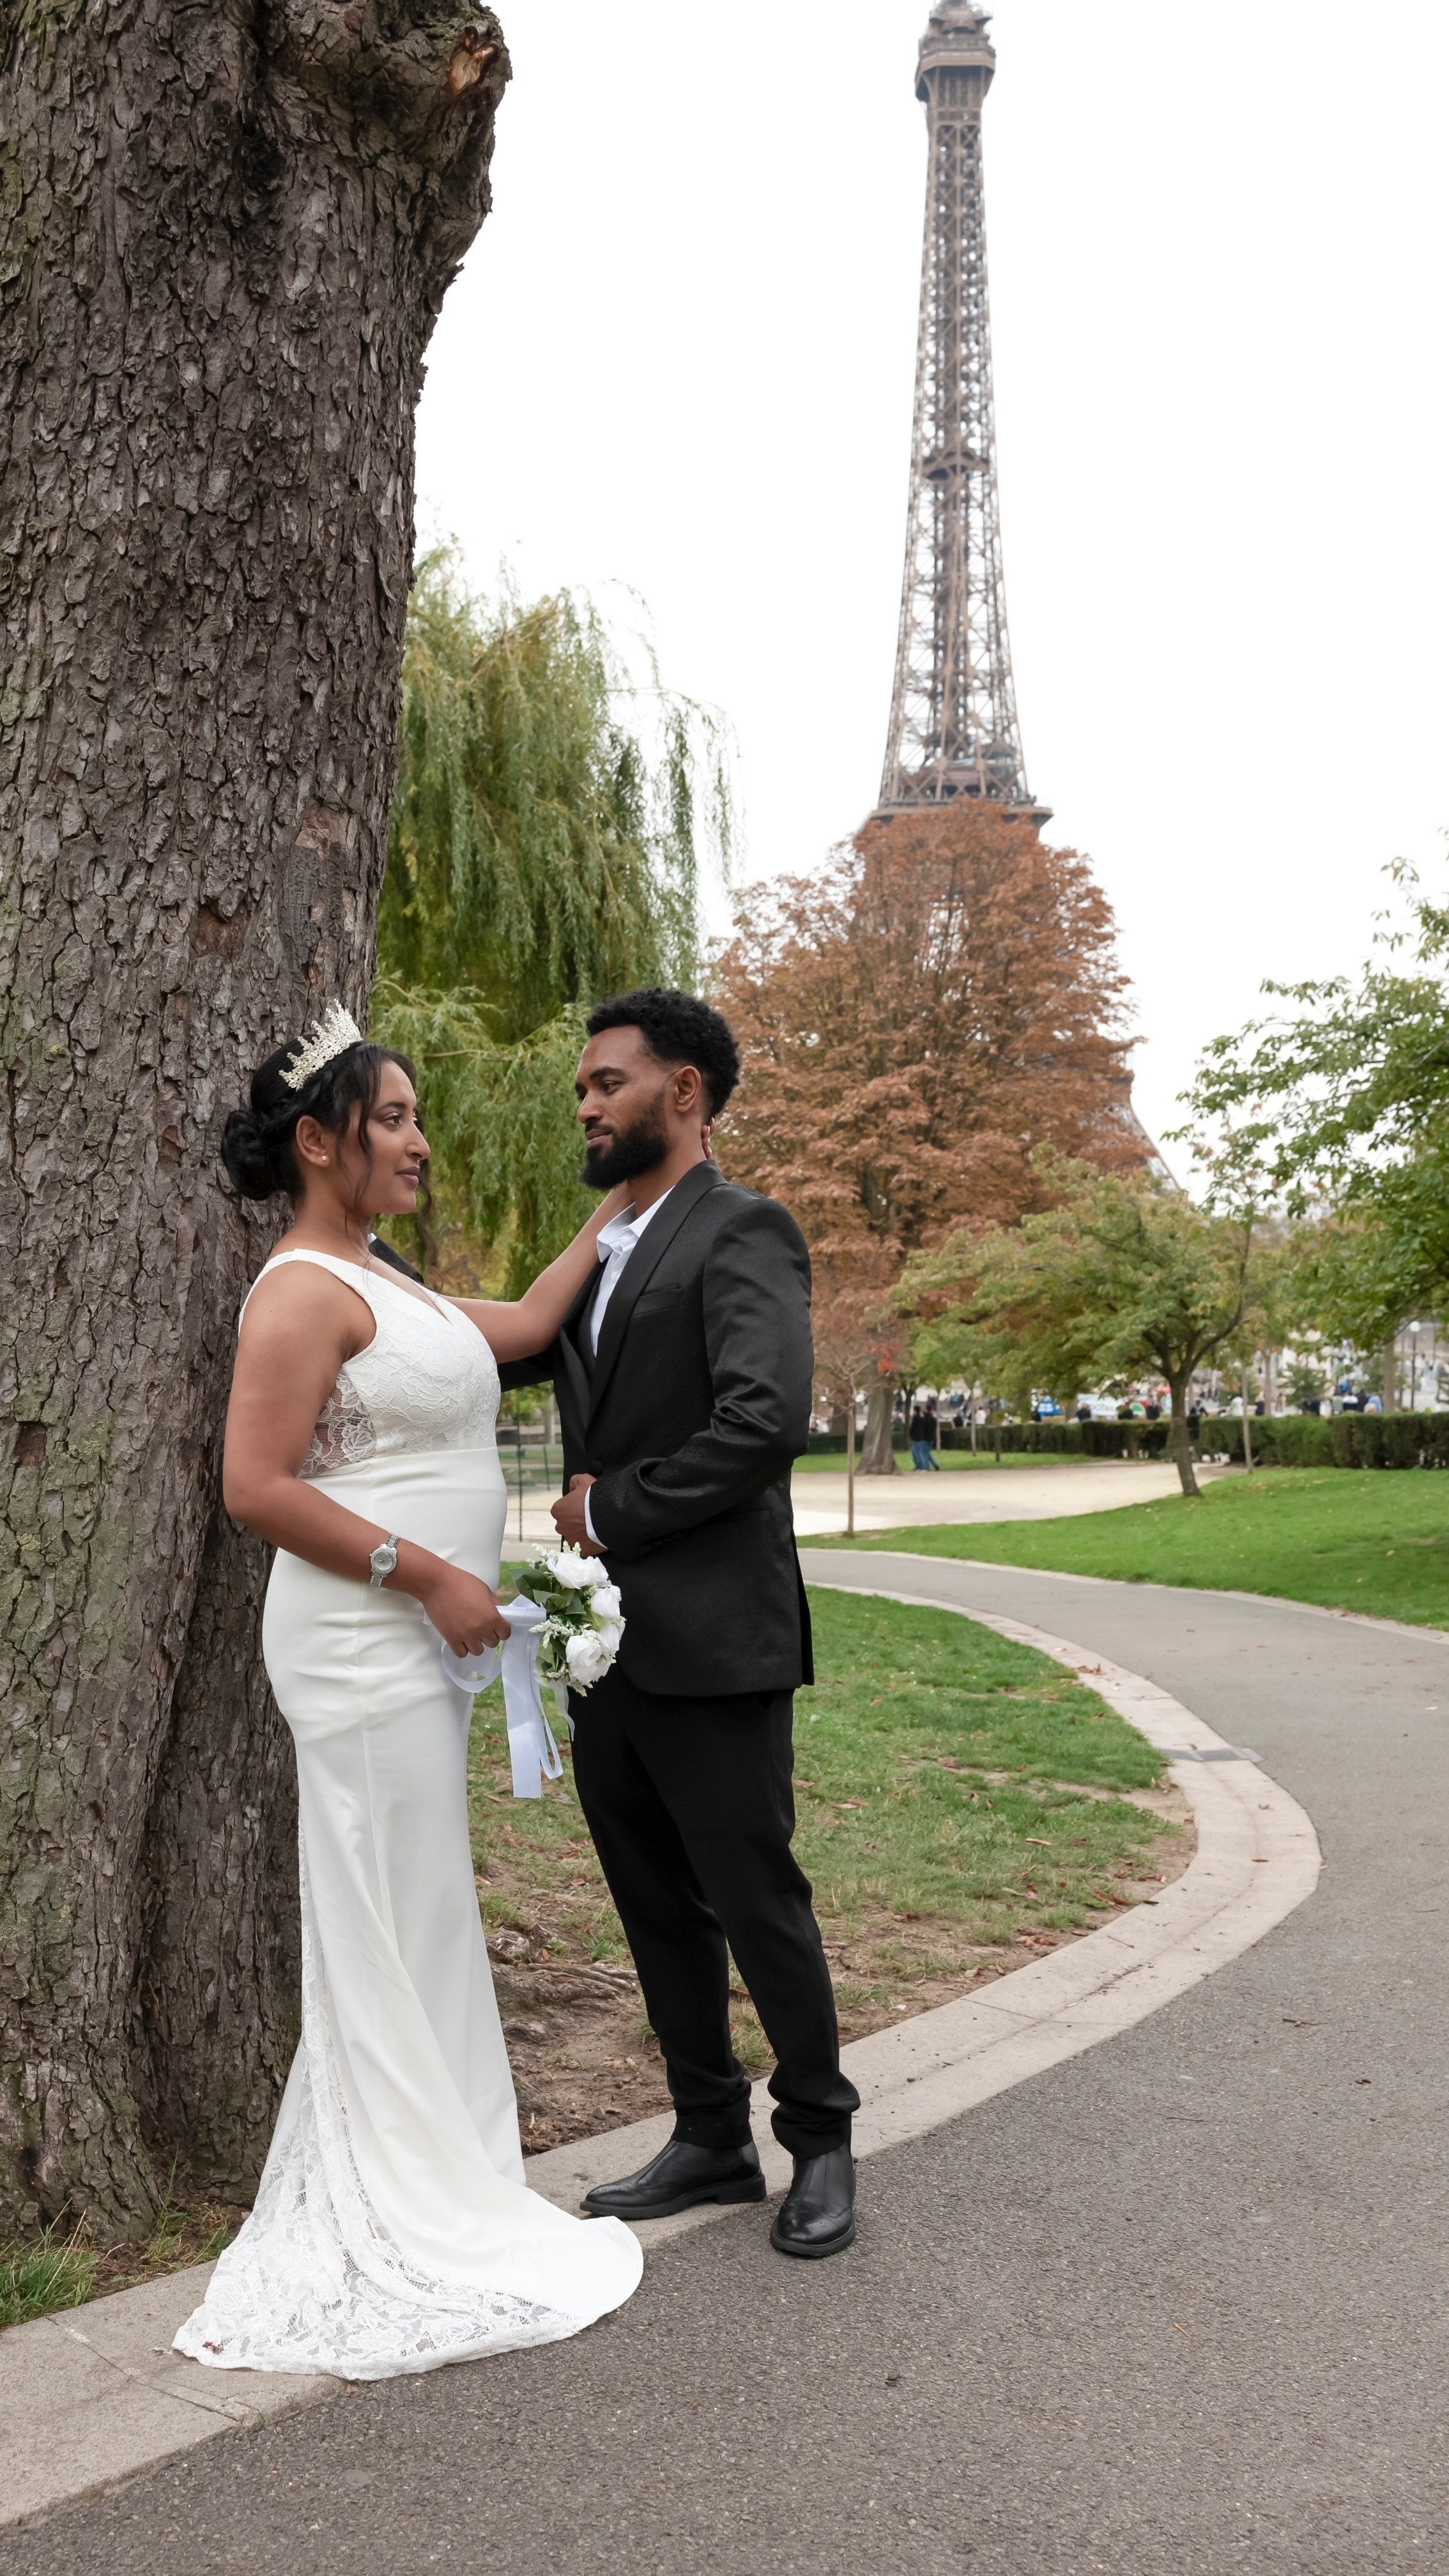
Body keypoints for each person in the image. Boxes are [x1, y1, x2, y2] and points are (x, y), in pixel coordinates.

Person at [174, 1005, 643, 2380]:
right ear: (319, 1142)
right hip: (359, 1635)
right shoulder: (301, 1291)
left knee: (421, 1905)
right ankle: (404, 2200)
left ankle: (449, 2169)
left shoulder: (399, 1286)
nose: (421, 1141)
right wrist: (427, 1574)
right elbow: (254, 1486)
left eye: (416, 1116)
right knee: (388, 1903)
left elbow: (540, 1320)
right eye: (393, 1118)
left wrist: (630, 1190)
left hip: (416, 1639)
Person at [500, 988, 861, 2259]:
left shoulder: (743, 1231)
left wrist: (610, 1513)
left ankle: (819, 2140)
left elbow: (766, 1422)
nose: (588, 1104)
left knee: (755, 1899)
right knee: (654, 1904)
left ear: (685, 1092)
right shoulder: (607, 1249)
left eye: (609, 1082)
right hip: (613, 1654)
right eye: (584, 1090)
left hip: (718, 1643)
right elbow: (497, 1349)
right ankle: (710, 2136)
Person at [909, 1399, 940, 1471]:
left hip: (925, 1438)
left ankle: (925, 1467)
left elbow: (922, 1429)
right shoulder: (933, 1419)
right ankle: (934, 1464)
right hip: (931, 1438)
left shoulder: (924, 1419)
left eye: (925, 1409)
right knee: (926, 1453)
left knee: (922, 1453)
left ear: (927, 1410)